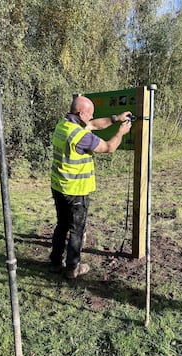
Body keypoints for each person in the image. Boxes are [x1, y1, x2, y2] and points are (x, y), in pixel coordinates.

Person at [49, 95, 132, 279]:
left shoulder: (64, 125)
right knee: (76, 229)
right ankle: (72, 268)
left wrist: (115, 118)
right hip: (76, 190)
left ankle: (55, 262)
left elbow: (93, 125)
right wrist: (121, 132)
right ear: (80, 113)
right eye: (90, 114)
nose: (92, 117)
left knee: (61, 225)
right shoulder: (81, 136)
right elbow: (109, 147)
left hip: (59, 185)